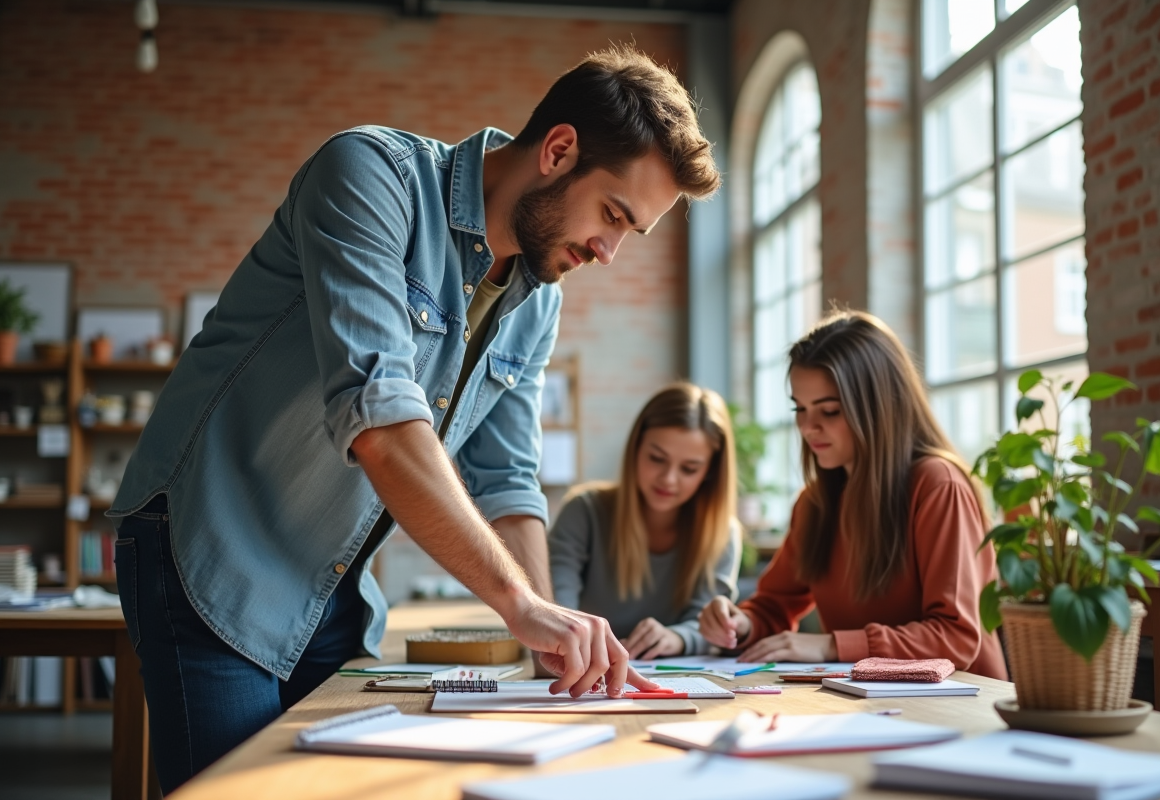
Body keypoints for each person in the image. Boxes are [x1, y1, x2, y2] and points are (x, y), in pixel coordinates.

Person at [108, 44, 720, 792]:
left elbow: (506, 479)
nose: (610, 250)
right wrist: (520, 604)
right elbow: (382, 421)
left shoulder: (539, 301)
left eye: (633, 232)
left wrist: (545, 642)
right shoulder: (370, 176)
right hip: (211, 552)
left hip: (328, 585)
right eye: (613, 214)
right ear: (559, 151)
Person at [699, 311, 1008, 680]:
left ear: (879, 407)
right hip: (867, 703)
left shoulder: (939, 485)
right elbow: (773, 606)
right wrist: (739, 623)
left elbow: (956, 638)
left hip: (961, 703)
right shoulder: (814, 503)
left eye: (829, 410)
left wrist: (831, 645)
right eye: (800, 408)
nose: (807, 427)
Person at [549, 383, 741, 659]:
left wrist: (676, 637)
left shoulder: (722, 533)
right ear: (635, 449)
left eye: (689, 468)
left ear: (710, 472)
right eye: (657, 458)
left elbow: (709, 625)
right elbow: (554, 613)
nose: (668, 479)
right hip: (583, 673)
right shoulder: (583, 512)